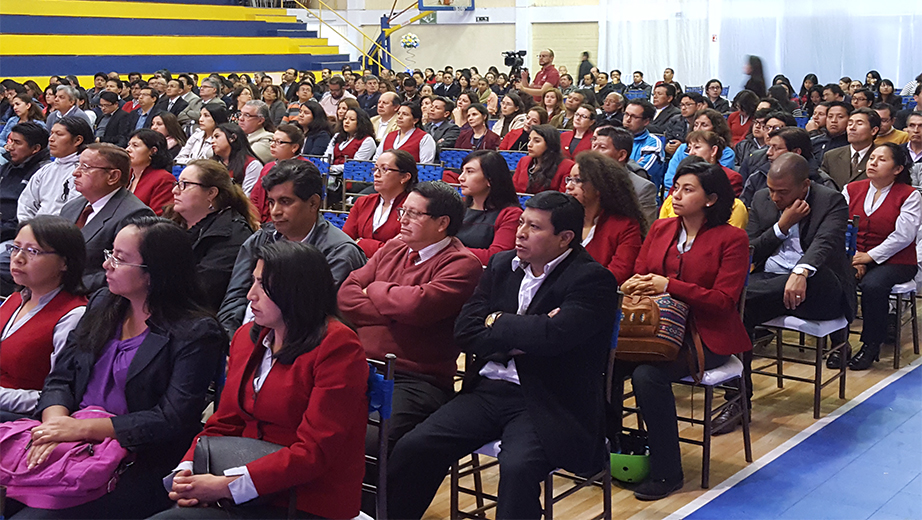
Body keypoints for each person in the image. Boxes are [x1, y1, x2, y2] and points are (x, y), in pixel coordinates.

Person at [387, 190, 618, 519]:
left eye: (535, 227)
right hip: (488, 391)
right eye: (522, 222)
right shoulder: (501, 265)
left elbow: (555, 338)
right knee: (415, 445)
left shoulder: (592, 279)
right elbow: (466, 331)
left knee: (517, 468)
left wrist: (497, 321)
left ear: (565, 238)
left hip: (550, 398)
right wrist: (526, 330)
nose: (521, 232)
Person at [4, 216, 225, 519]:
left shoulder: (196, 332)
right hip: (69, 433)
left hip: (136, 457)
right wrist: (55, 426)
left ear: (153, 273)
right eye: (109, 254)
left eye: (119, 259)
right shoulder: (104, 304)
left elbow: (172, 419)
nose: (106, 265)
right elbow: (60, 378)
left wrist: (82, 429)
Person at [152, 240, 368, 520]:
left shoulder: (338, 346)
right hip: (240, 481)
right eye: (252, 282)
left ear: (296, 291)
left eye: (263, 286)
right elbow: (225, 421)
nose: (250, 295)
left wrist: (226, 486)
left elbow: (315, 452)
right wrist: (189, 468)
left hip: (305, 497)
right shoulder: (248, 337)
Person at [619, 157, 751, 501]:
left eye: (687, 189)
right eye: (675, 188)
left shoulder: (732, 239)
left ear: (711, 199)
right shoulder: (662, 228)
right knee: (603, 363)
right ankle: (612, 449)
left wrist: (669, 286)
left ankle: (667, 473)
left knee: (648, 376)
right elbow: (641, 269)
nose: (675, 195)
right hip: (655, 326)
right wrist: (638, 283)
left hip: (708, 333)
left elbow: (724, 300)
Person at [711, 153, 854, 434]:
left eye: (783, 192)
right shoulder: (763, 199)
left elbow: (824, 245)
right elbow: (749, 248)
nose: (775, 197)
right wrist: (781, 227)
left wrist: (801, 272)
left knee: (740, 296)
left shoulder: (831, 200)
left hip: (821, 287)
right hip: (772, 285)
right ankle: (739, 399)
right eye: (772, 189)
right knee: (737, 310)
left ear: (804, 186)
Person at [338, 181, 482, 450]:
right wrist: (395, 312)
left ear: (442, 223)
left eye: (413, 214)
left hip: (416, 380)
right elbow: (345, 295)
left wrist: (375, 290)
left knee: (368, 440)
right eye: (403, 211)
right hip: (360, 365)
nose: (402, 219)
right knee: (305, 417)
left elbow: (417, 308)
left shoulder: (461, 264)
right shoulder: (394, 247)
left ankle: (374, 495)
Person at [218, 160, 365, 335]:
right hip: (247, 339)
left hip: (299, 347)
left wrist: (253, 347)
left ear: (313, 203)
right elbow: (235, 299)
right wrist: (230, 342)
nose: (275, 211)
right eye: (271, 202)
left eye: (285, 202)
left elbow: (308, 317)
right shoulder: (261, 238)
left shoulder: (340, 253)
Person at [0, 216, 87, 421]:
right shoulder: (16, 298)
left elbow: (58, 396)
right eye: (15, 248)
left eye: (33, 251)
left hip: (19, 419)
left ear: (64, 262)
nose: (18, 258)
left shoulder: (72, 316)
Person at [844, 143, 921, 370]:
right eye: (872, 158)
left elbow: (903, 236)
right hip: (855, 255)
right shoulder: (851, 189)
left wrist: (869, 257)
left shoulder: (909, 195)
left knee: (873, 285)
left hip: (898, 260)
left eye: (882, 159)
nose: (873, 163)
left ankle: (871, 345)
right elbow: (840, 227)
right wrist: (851, 257)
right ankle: (840, 342)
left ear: (897, 169)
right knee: (838, 277)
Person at [58, 143, 155, 291]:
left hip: (90, 297)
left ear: (113, 176)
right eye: (78, 165)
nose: (75, 173)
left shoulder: (134, 215)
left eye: (86, 167)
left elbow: (125, 271)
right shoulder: (71, 207)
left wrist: (65, 285)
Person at [162, 159, 255, 314]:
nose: (175, 191)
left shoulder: (231, 235)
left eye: (185, 184)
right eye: (177, 183)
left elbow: (202, 292)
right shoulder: (170, 220)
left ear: (211, 193)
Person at [564, 150, 644, 283]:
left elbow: (618, 273)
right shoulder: (562, 218)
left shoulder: (625, 226)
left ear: (599, 186)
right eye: (569, 179)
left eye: (577, 180)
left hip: (595, 295)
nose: (568, 186)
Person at [661, 131, 748, 229]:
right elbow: (669, 205)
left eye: (697, 147)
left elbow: (725, 210)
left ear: (713, 150)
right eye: (689, 149)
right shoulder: (684, 174)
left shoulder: (730, 177)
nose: (691, 153)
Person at [343, 149, 416, 258]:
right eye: (376, 168)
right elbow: (345, 242)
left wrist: (361, 243)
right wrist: (385, 247)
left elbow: (403, 251)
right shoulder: (362, 202)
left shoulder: (415, 208)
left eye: (384, 169)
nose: (376, 174)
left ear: (404, 177)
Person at [17, 117, 93, 222]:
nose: (51, 139)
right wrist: (27, 228)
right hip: (34, 230)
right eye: (51, 133)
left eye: (59, 134)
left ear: (77, 140)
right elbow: (26, 204)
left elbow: (73, 211)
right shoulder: (45, 170)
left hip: (62, 233)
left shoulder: (86, 172)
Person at [455, 150, 523, 266]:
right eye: (462, 171)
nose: (461, 178)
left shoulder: (510, 214)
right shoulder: (457, 207)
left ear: (490, 179)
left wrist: (447, 251)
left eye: (470, 172)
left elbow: (497, 256)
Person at [1, 123, 51, 255]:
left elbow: (27, 216)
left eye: (17, 143)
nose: (10, 147)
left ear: (35, 149)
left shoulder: (43, 174)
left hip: (14, 236)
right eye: (11, 141)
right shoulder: (8, 167)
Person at [741, 125, 815, 206]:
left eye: (776, 148)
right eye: (769, 147)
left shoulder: (820, 181)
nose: (768, 152)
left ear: (796, 152)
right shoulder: (759, 176)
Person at [664, 108, 737, 190]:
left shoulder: (727, 153)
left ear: (716, 129)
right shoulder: (682, 148)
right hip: (676, 191)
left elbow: (716, 182)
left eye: (704, 125)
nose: (698, 128)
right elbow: (669, 179)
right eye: (695, 125)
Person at [249, 124, 306, 222]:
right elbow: (255, 196)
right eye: (272, 140)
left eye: (279, 142)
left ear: (294, 147)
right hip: (261, 221)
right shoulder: (268, 167)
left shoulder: (303, 169)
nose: (272, 145)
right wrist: (255, 220)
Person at [819, 107, 880, 189]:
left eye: (859, 124)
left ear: (874, 130)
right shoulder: (831, 156)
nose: (852, 128)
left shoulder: (882, 156)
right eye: (850, 124)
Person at [123, 129, 175, 216]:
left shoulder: (164, 179)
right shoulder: (126, 175)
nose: (128, 149)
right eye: (128, 145)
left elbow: (158, 216)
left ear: (153, 151)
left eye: (135, 146)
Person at [512, 124, 575, 193]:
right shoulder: (524, 161)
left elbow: (563, 197)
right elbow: (513, 191)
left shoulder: (567, 166)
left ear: (550, 144)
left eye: (537, 141)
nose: (529, 144)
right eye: (529, 140)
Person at [622, 99, 666, 189]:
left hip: (641, 196)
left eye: (634, 117)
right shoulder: (614, 138)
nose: (628, 119)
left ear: (646, 121)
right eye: (626, 114)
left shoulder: (653, 144)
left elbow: (640, 174)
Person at [211, 123, 263, 196]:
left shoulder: (252, 165)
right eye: (212, 138)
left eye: (217, 136)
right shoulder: (214, 164)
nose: (212, 141)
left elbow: (247, 197)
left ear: (232, 138)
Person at [323, 107, 377, 176]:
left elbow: (355, 165)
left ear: (361, 122)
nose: (347, 122)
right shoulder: (337, 136)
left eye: (352, 119)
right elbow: (327, 156)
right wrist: (325, 166)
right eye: (345, 118)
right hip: (330, 174)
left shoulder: (368, 141)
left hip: (351, 178)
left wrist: (332, 168)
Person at [905, 111, 922, 187]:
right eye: (912, 125)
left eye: (921, 126)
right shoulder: (896, 152)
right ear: (907, 129)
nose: (916, 130)